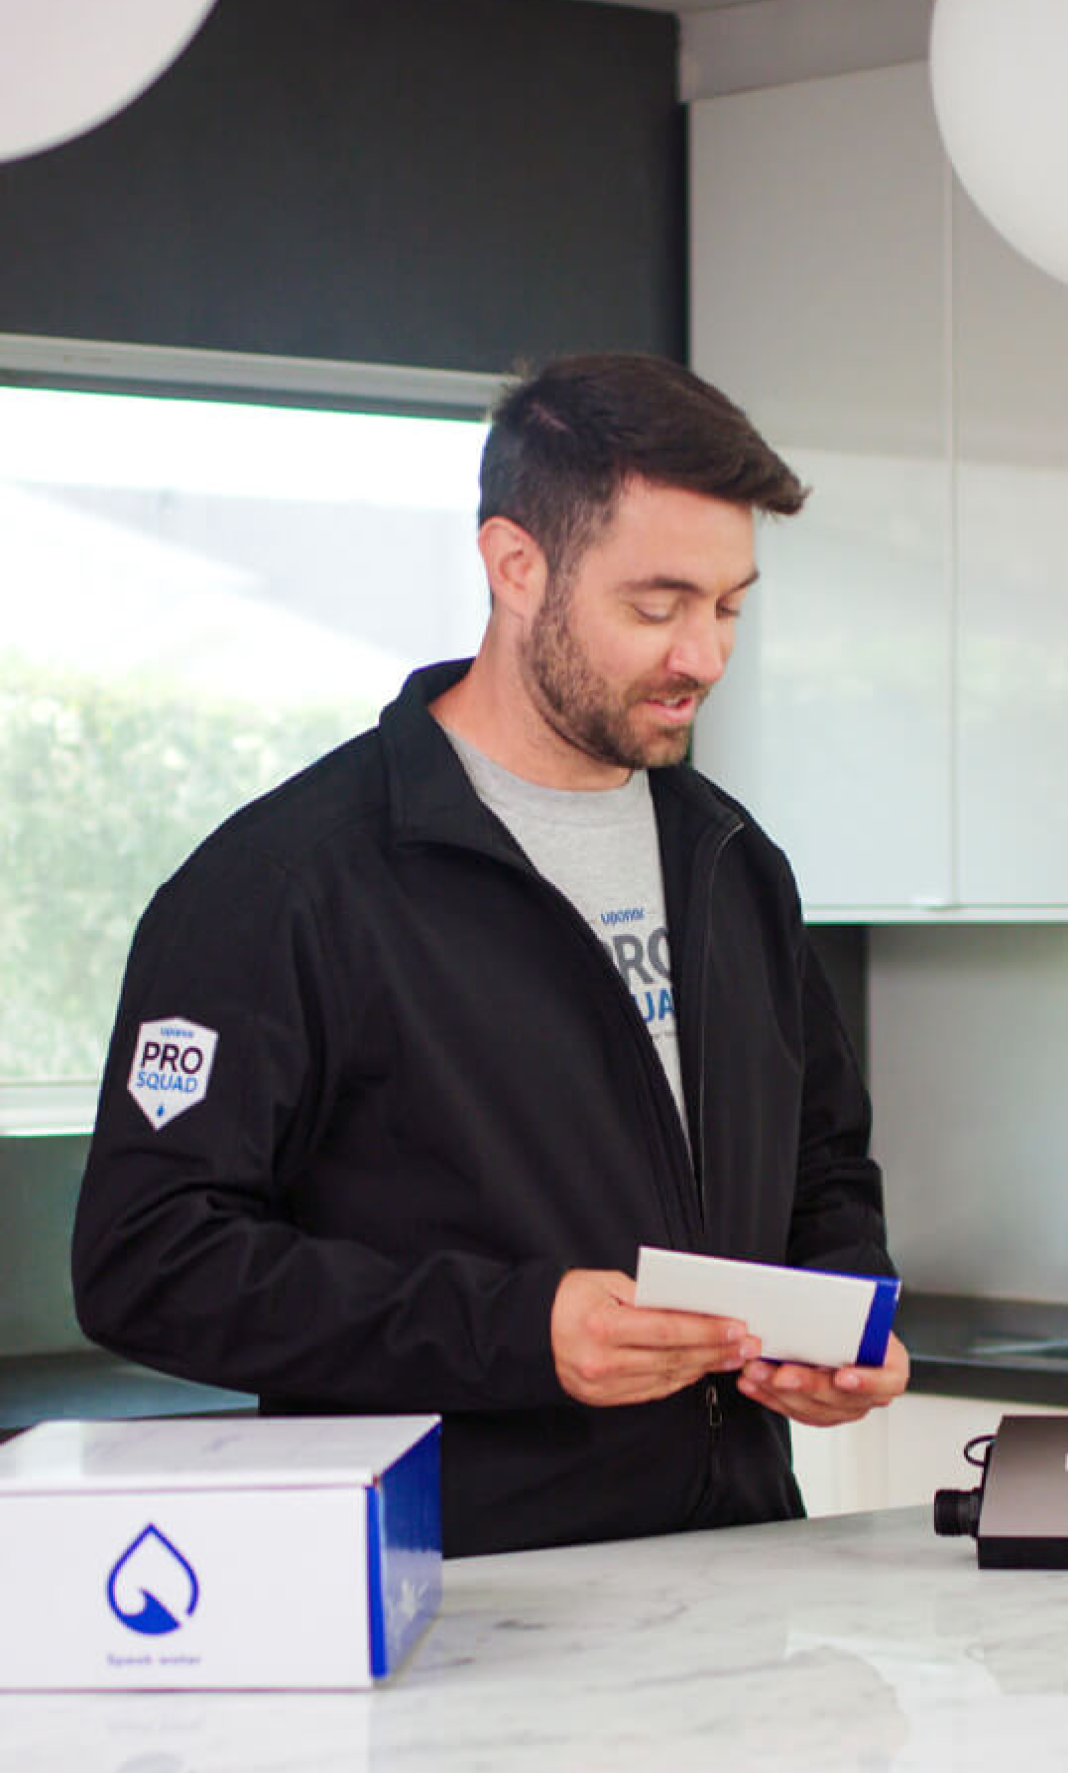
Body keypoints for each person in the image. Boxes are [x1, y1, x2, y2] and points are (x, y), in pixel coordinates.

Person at [72, 352, 909, 1556]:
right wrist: (520, 1333)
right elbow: (147, 1262)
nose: (705, 657)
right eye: (656, 604)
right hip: (451, 1599)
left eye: (729, 606)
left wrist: (843, 1319)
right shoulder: (286, 885)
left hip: (738, 1575)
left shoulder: (734, 863)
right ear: (517, 566)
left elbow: (822, 1168)